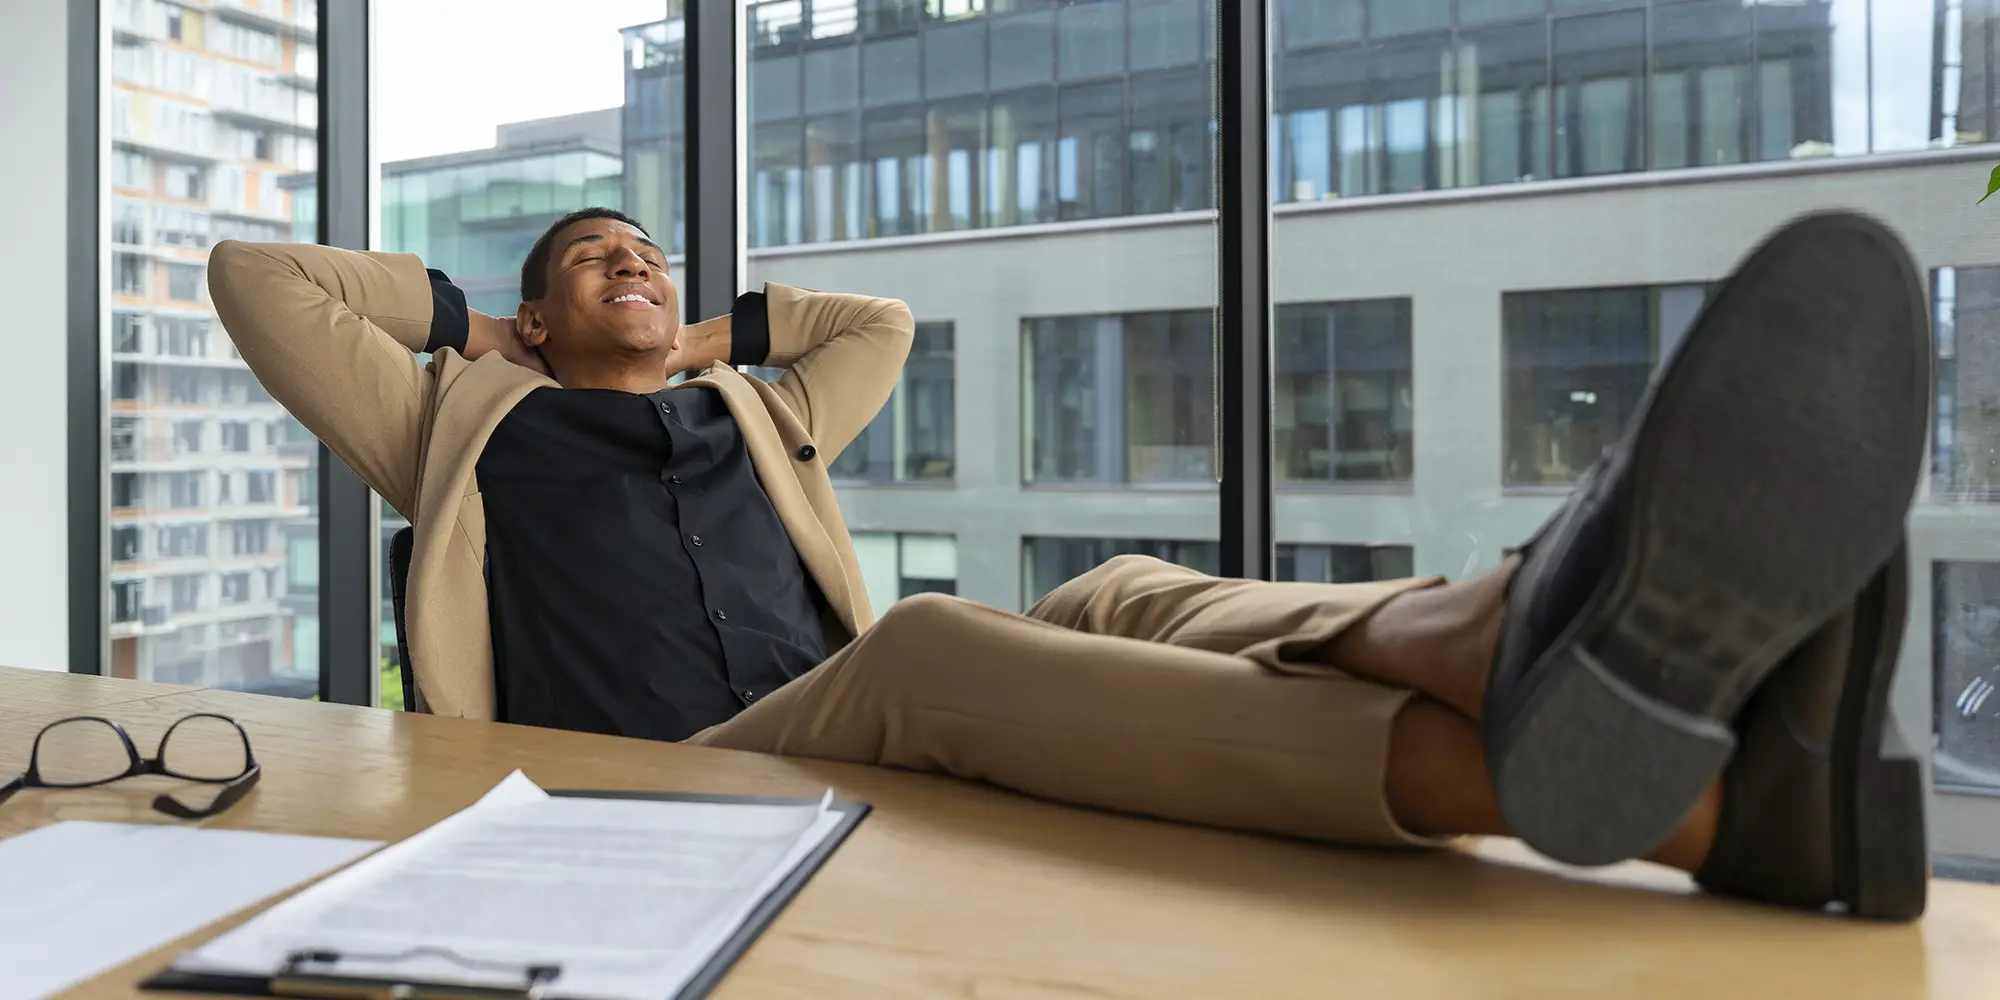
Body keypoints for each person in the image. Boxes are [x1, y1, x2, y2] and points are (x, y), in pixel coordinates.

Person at [207, 208, 1931, 921]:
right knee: (934, 646)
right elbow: (257, 280)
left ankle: (1526, 666)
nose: (637, 266)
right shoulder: (460, 423)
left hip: (817, 731)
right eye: (600, 263)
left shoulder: (762, 408)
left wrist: (702, 326)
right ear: (531, 315)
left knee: (1112, 584)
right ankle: (1622, 737)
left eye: (652, 253)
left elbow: (875, 321)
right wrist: (472, 321)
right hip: (656, 795)